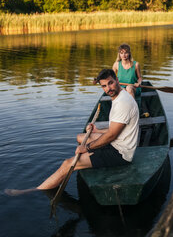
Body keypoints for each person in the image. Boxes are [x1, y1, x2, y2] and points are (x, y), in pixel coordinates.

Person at [5, 69, 139, 195]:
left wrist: (86, 148)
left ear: (117, 79)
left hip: (120, 153)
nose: (108, 88)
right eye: (104, 86)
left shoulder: (123, 103)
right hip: (117, 142)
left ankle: (33, 191)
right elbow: (115, 129)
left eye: (110, 83)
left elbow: (112, 135)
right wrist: (97, 130)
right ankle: (86, 160)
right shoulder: (120, 97)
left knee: (67, 164)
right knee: (80, 137)